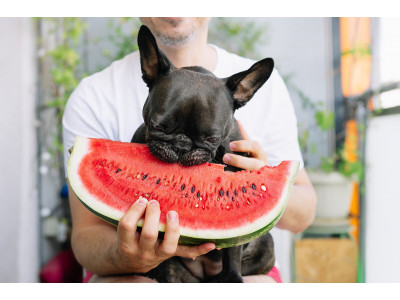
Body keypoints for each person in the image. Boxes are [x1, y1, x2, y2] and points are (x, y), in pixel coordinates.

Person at [63, 17, 317, 283]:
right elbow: (85, 236)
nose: (182, 149)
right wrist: (130, 255)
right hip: (140, 267)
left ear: (242, 96)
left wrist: (263, 184)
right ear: (149, 70)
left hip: (239, 264)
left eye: (207, 138)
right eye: (161, 128)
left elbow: (304, 215)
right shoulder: (93, 95)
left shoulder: (270, 89)